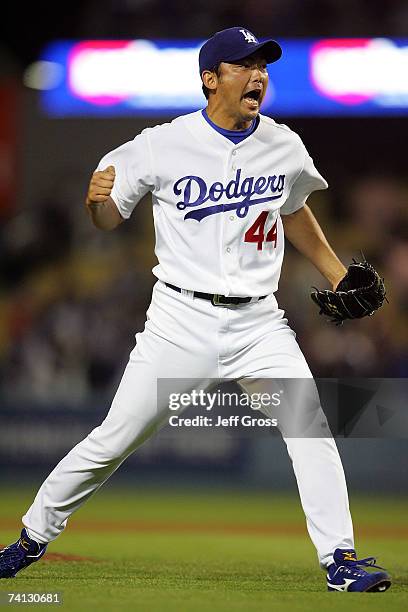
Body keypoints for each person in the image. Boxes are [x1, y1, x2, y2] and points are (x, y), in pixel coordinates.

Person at [0, 27, 391, 592]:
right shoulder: (159, 144)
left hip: (260, 323)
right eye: (244, 65)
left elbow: (295, 206)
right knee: (115, 436)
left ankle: (341, 558)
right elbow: (111, 218)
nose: (258, 74)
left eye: (263, 65)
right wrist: (97, 205)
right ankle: (32, 536)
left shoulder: (283, 144)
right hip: (179, 323)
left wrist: (336, 272)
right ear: (211, 79)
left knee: (310, 427)